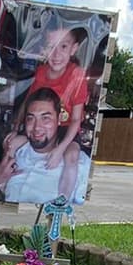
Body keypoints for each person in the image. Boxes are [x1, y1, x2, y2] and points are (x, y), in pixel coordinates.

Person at [0, 88, 91, 204]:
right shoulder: (14, 149)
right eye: (31, 118)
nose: (37, 127)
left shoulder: (79, 163)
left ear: (59, 119)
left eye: (45, 118)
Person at [29, 26, 89, 200]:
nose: (56, 54)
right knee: (14, 144)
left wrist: (59, 149)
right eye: (51, 46)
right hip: (44, 126)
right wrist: (17, 125)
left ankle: (62, 202)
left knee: (72, 156)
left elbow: (76, 120)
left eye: (63, 46)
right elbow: (29, 101)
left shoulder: (77, 75)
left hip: (66, 128)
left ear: (73, 48)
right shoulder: (41, 72)